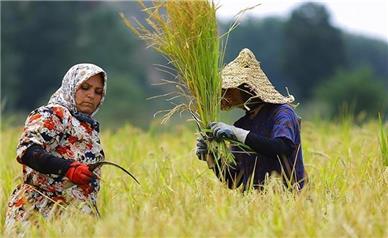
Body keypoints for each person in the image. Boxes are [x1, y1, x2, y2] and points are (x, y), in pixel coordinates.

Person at [5, 63, 108, 232]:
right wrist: (68, 168)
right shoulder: (55, 114)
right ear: (71, 86)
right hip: (38, 215)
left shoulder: (88, 126)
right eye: (85, 87)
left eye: (98, 92)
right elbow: (28, 150)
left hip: (72, 219)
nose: (91, 95)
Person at [196, 49, 307, 191]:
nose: (224, 94)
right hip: (254, 207)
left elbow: (281, 148)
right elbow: (233, 180)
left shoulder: (282, 112)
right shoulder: (242, 124)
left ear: (247, 87)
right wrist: (211, 156)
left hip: (288, 201)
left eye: (230, 89)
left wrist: (238, 134)